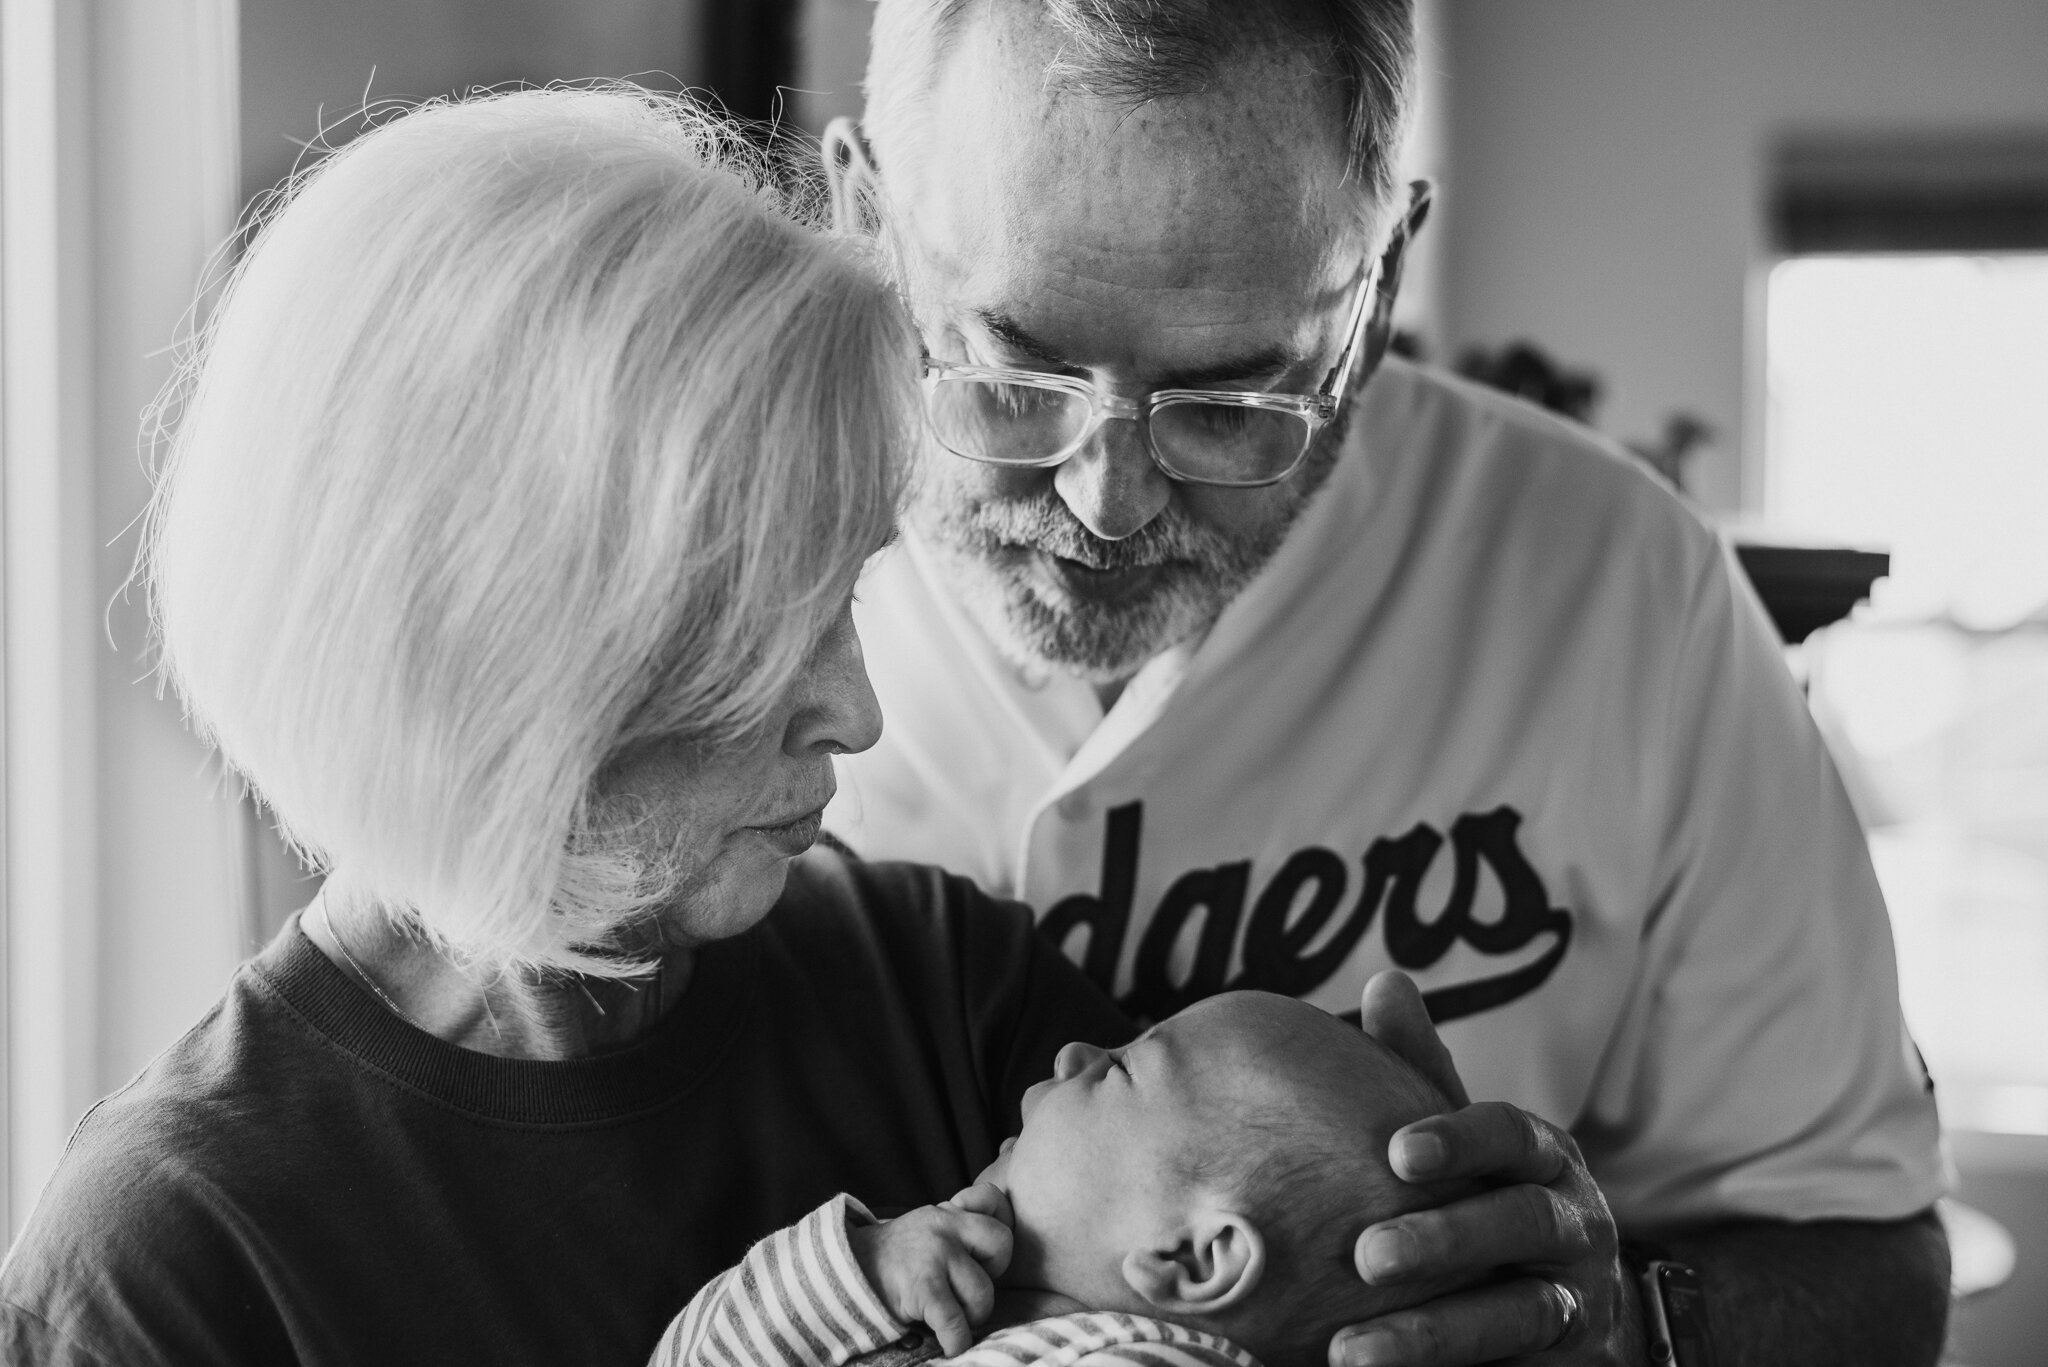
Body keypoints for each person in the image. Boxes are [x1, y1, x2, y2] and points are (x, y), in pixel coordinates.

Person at [817, 2, 1950, 1363]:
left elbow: (1882, 1262)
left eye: (1230, 402)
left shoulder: (1621, 585)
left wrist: (1631, 1320)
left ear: (1378, 289)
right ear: (861, 217)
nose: (1107, 502)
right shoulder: (683, 546)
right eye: (1013, 370)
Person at [0, 87, 1133, 1366]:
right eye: (753, 642)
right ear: (489, 658)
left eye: (848, 591)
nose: (857, 714)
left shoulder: (945, 989)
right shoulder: (166, 1271)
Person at [651, 992, 1479, 1367]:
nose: (1073, 1052)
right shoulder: (911, 1313)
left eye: (1121, 1066)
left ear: (1192, 1259)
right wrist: (858, 1269)